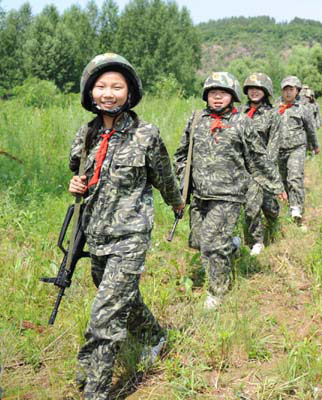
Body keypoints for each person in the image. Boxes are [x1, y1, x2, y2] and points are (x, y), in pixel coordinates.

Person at [68, 53, 184, 399]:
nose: (108, 93)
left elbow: (164, 175)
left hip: (130, 236)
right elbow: (81, 174)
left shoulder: (146, 134)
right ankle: (155, 337)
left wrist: (176, 203)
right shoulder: (86, 134)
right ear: (89, 93)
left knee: (105, 316)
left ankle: (95, 387)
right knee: (121, 298)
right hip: (95, 234)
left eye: (116, 87)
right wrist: (76, 184)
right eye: (101, 86)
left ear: (130, 92)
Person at [173, 72, 285, 310]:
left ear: (232, 96)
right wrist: (180, 185)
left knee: (212, 243)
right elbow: (182, 154)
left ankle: (217, 292)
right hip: (200, 193)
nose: (217, 98)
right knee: (198, 241)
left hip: (229, 194)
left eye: (222, 94)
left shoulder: (242, 121)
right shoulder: (195, 119)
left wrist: (276, 185)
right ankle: (232, 245)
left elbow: (257, 156)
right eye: (213, 93)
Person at [242, 72, 284, 255]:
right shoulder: (239, 114)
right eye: (251, 88)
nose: (254, 92)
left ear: (265, 91)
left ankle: (274, 222)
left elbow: (274, 145)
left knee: (269, 207)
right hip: (242, 168)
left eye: (258, 89)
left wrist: (265, 169)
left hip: (262, 167)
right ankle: (256, 241)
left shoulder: (272, 115)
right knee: (251, 206)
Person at [276, 76, 319, 223]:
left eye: (291, 89)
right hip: (280, 150)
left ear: (297, 91)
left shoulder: (303, 109)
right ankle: (289, 203)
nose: (288, 93)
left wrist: (315, 145)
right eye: (285, 90)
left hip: (297, 148)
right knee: (283, 179)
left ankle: (297, 207)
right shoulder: (276, 109)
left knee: (294, 177)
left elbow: (311, 129)